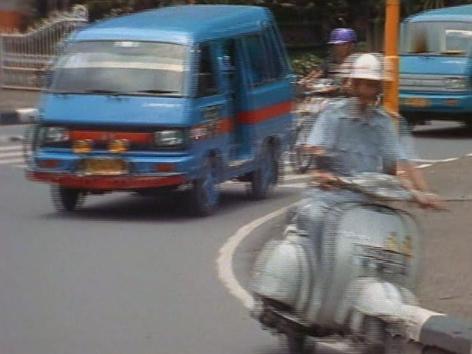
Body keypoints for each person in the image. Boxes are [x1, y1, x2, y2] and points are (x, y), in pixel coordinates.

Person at [296, 53, 441, 251]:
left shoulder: (384, 122)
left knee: (394, 243)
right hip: (331, 196)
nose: (366, 89)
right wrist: (321, 170)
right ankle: (316, 276)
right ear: (352, 84)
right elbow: (317, 154)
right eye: (362, 83)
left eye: (372, 84)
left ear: (379, 88)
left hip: (367, 198)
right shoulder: (332, 114)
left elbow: (398, 164)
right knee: (313, 218)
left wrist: (422, 192)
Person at [300, 28, 357, 96]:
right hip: (330, 101)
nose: (337, 48)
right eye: (335, 45)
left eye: (342, 45)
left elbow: (350, 85)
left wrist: (335, 89)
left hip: (350, 100)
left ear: (351, 45)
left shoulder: (357, 62)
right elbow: (317, 72)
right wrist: (306, 81)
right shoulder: (329, 61)